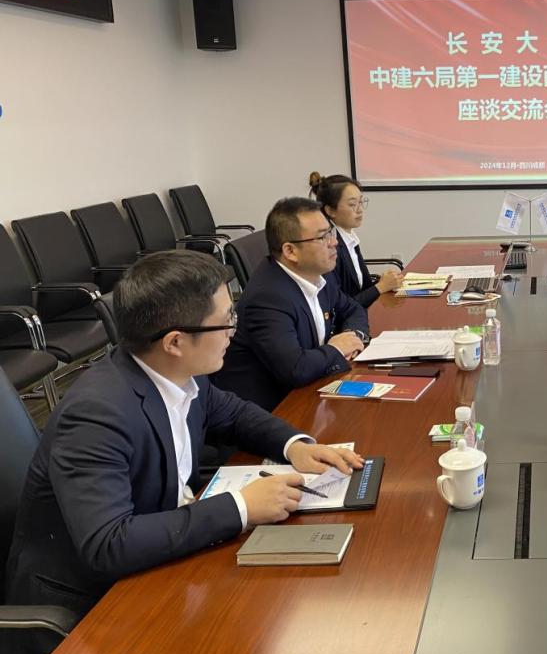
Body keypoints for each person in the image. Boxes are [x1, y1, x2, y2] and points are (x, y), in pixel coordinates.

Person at [5, 250, 365, 620]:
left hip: (162, 554)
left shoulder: (176, 372)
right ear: (175, 342)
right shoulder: (97, 414)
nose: (233, 331)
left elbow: (235, 414)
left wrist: (295, 445)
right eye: (225, 321)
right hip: (88, 604)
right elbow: (109, 543)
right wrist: (241, 507)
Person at [213, 197, 370, 410]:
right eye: (322, 237)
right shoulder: (267, 298)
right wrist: (336, 349)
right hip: (273, 408)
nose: (334, 242)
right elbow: (295, 369)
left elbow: (352, 308)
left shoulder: (320, 274)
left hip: (312, 388)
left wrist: (353, 336)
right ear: (290, 251)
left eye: (330, 232)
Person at [308, 171, 404, 307]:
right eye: (352, 204)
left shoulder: (349, 238)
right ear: (330, 210)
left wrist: (385, 282)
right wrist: (380, 287)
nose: (360, 210)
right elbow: (339, 308)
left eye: (361, 202)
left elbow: (360, 289)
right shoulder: (329, 248)